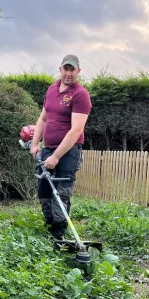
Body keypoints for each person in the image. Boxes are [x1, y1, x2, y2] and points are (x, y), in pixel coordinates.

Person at [30, 54, 92, 241]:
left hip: (68, 152)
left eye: (72, 69)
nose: (68, 73)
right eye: (66, 68)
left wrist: (56, 156)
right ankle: (50, 225)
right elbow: (43, 119)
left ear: (78, 71)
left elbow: (76, 130)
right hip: (48, 148)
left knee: (61, 192)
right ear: (60, 69)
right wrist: (35, 144)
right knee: (44, 191)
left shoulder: (80, 95)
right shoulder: (51, 90)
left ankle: (59, 234)